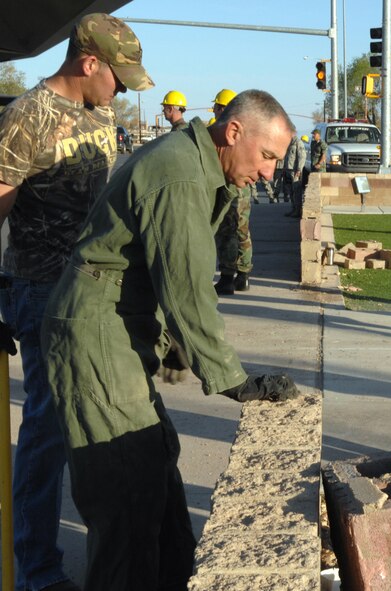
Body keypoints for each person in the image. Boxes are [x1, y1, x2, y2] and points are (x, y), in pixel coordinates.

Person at [40, 90, 300, 591]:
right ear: (234, 132)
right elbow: (186, 286)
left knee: (155, 461)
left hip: (118, 322)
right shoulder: (180, 173)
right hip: (96, 329)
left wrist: (174, 345)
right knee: (125, 493)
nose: (269, 173)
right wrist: (234, 380)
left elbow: (168, 276)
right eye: (267, 157)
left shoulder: (195, 163)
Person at [0, 13, 153, 591]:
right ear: (89, 63)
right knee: (48, 431)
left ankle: (115, 557)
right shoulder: (27, 118)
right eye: (117, 76)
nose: (121, 88)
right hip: (40, 291)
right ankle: (37, 570)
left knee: (96, 419)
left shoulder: (101, 108)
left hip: (94, 287)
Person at [212, 88, 255, 295]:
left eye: (216, 107)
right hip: (244, 186)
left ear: (223, 109)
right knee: (242, 229)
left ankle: (227, 277)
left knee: (226, 231)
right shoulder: (246, 132)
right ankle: (244, 276)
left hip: (229, 185)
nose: (213, 111)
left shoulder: (221, 131)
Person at [281, 134, 307, 216]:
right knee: (291, 191)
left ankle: (298, 211)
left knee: (297, 191)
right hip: (288, 169)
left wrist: (299, 169)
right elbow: (286, 157)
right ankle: (293, 209)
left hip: (295, 170)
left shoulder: (298, 143)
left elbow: (302, 156)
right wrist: (284, 168)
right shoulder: (288, 143)